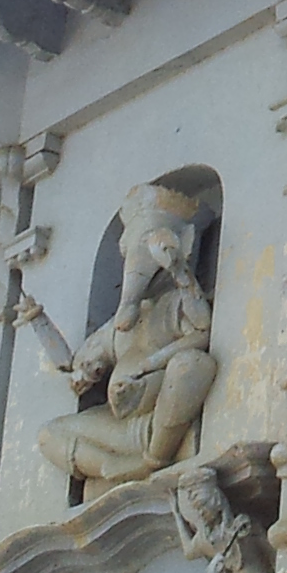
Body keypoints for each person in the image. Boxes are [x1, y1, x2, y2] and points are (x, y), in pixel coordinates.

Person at [31, 182, 218, 486]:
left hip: (161, 423)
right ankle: (112, 467)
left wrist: (149, 366)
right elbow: (79, 363)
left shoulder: (175, 303)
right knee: (49, 435)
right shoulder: (121, 325)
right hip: (120, 429)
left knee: (192, 365)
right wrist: (82, 372)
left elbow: (202, 332)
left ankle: (155, 458)